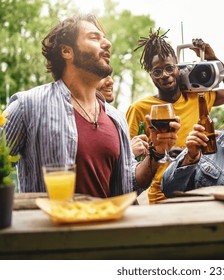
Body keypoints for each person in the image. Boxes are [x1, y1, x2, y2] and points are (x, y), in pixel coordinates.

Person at [3, 14, 180, 198]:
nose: (108, 43)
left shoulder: (116, 118)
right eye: (94, 37)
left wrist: (156, 153)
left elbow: (129, 184)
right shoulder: (28, 106)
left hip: (107, 225)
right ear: (67, 51)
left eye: (105, 38)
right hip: (51, 225)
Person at [126, 29, 224, 203]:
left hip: (199, 189)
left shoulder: (199, 97)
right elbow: (128, 159)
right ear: (150, 75)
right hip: (161, 197)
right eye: (157, 72)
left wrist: (213, 58)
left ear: (178, 68)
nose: (164, 75)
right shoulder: (140, 108)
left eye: (169, 68)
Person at [96, 74, 148, 158]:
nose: (111, 81)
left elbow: (130, 169)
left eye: (110, 75)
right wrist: (129, 152)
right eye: (102, 75)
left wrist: (157, 153)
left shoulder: (117, 117)